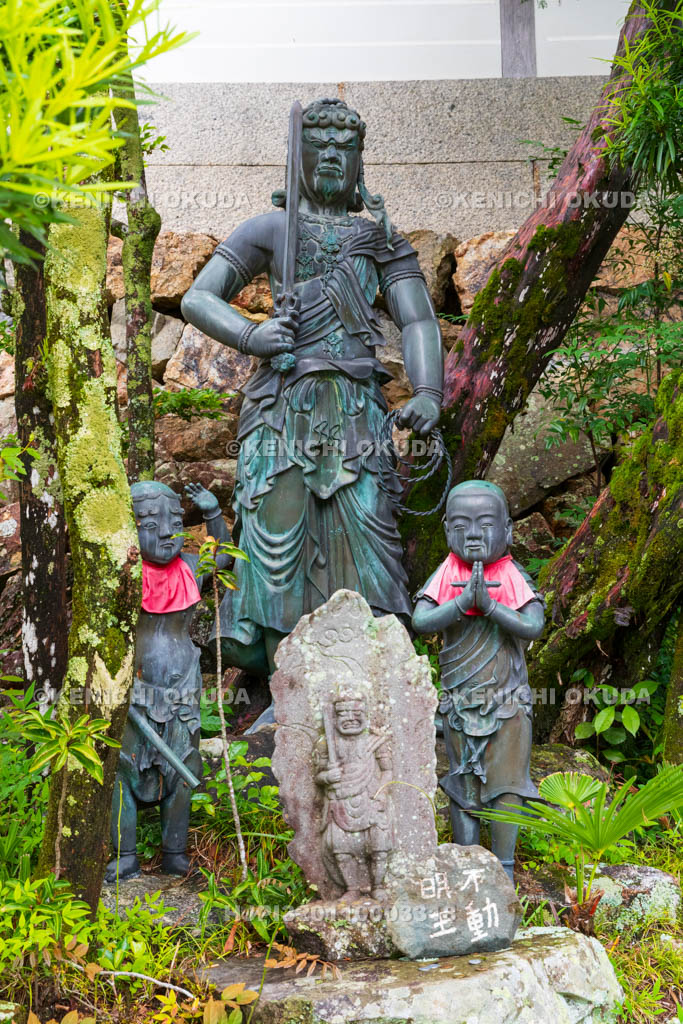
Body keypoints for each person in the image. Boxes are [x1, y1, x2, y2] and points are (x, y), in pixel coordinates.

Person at [181, 97, 443, 725]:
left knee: (371, 539)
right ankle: (287, 691)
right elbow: (197, 298)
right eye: (317, 144)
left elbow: (418, 318)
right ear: (298, 157)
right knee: (279, 543)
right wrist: (253, 336)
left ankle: (373, 687)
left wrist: (429, 392)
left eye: (342, 146)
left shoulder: (379, 237)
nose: (330, 154)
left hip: (357, 408)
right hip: (284, 407)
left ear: (359, 161)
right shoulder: (270, 230)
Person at [412, 480, 545, 881]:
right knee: (462, 785)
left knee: (507, 787)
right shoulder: (447, 573)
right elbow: (420, 621)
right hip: (459, 701)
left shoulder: (509, 575)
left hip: (507, 703)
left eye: (485, 524)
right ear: (447, 528)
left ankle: (503, 868)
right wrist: (460, 603)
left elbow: (533, 625)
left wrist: (490, 606)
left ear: (508, 531)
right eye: (463, 525)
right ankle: (465, 868)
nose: (473, 534)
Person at [105, 481, 231, 883]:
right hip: (134, 690)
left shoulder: (190, 569)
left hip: (183, 691)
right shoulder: (122, 573)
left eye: (175, 523)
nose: (164, 533)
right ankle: (125, 855)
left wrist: (212, 515)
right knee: (122, 769)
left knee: (182, 767)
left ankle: (175, 852)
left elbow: (224, 559)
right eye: (150, 522)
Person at [314, 694, 393, 902]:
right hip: (339, 800)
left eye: (356, 713)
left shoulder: (374, 742)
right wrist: (327, 777)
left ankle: (378, 885)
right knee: (340, 847)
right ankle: (352, 888)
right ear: (335, 718)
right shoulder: (327, 744)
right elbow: (319, 776)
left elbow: (387, 771)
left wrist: (382, 794)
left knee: (379, 846)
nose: (350, 718)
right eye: (343, 714)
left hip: (369, 797)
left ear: (365, 715)